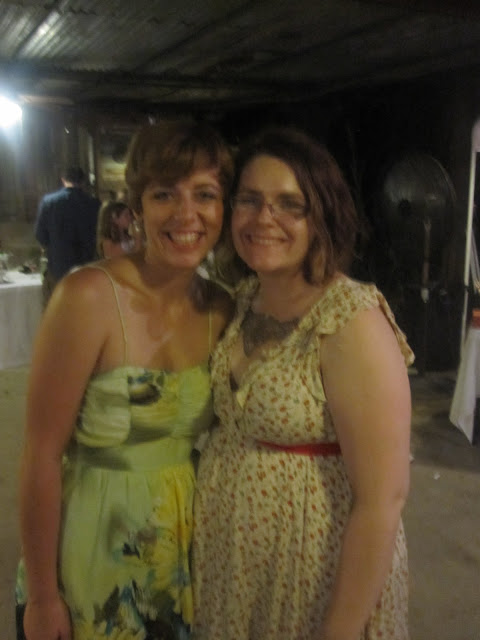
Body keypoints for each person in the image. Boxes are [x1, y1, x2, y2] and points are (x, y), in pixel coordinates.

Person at [192, 126, 414, 640]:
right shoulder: (243, 300)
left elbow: (383, 501)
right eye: (250, 200)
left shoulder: (349, 319)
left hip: (311, 577)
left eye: (290, 205)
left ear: (322, 217)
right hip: (236, 572)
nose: (264, 219)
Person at [16, 120, 234, 640]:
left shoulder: (221, 307)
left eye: (205, 195)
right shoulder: (87, 297)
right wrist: (44, 597)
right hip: (92, 543)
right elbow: (40, 454)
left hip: (180, 548)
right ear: (136, 207)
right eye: (165, 194)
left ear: (223, 209)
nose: (186, 214)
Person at [35, 166, 101, 306]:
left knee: (57, 310)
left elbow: (40, 236)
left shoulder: (49, 202)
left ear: (63, 179)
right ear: (83, 182)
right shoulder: (94, 204)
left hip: (58, 268)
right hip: (86, 268)